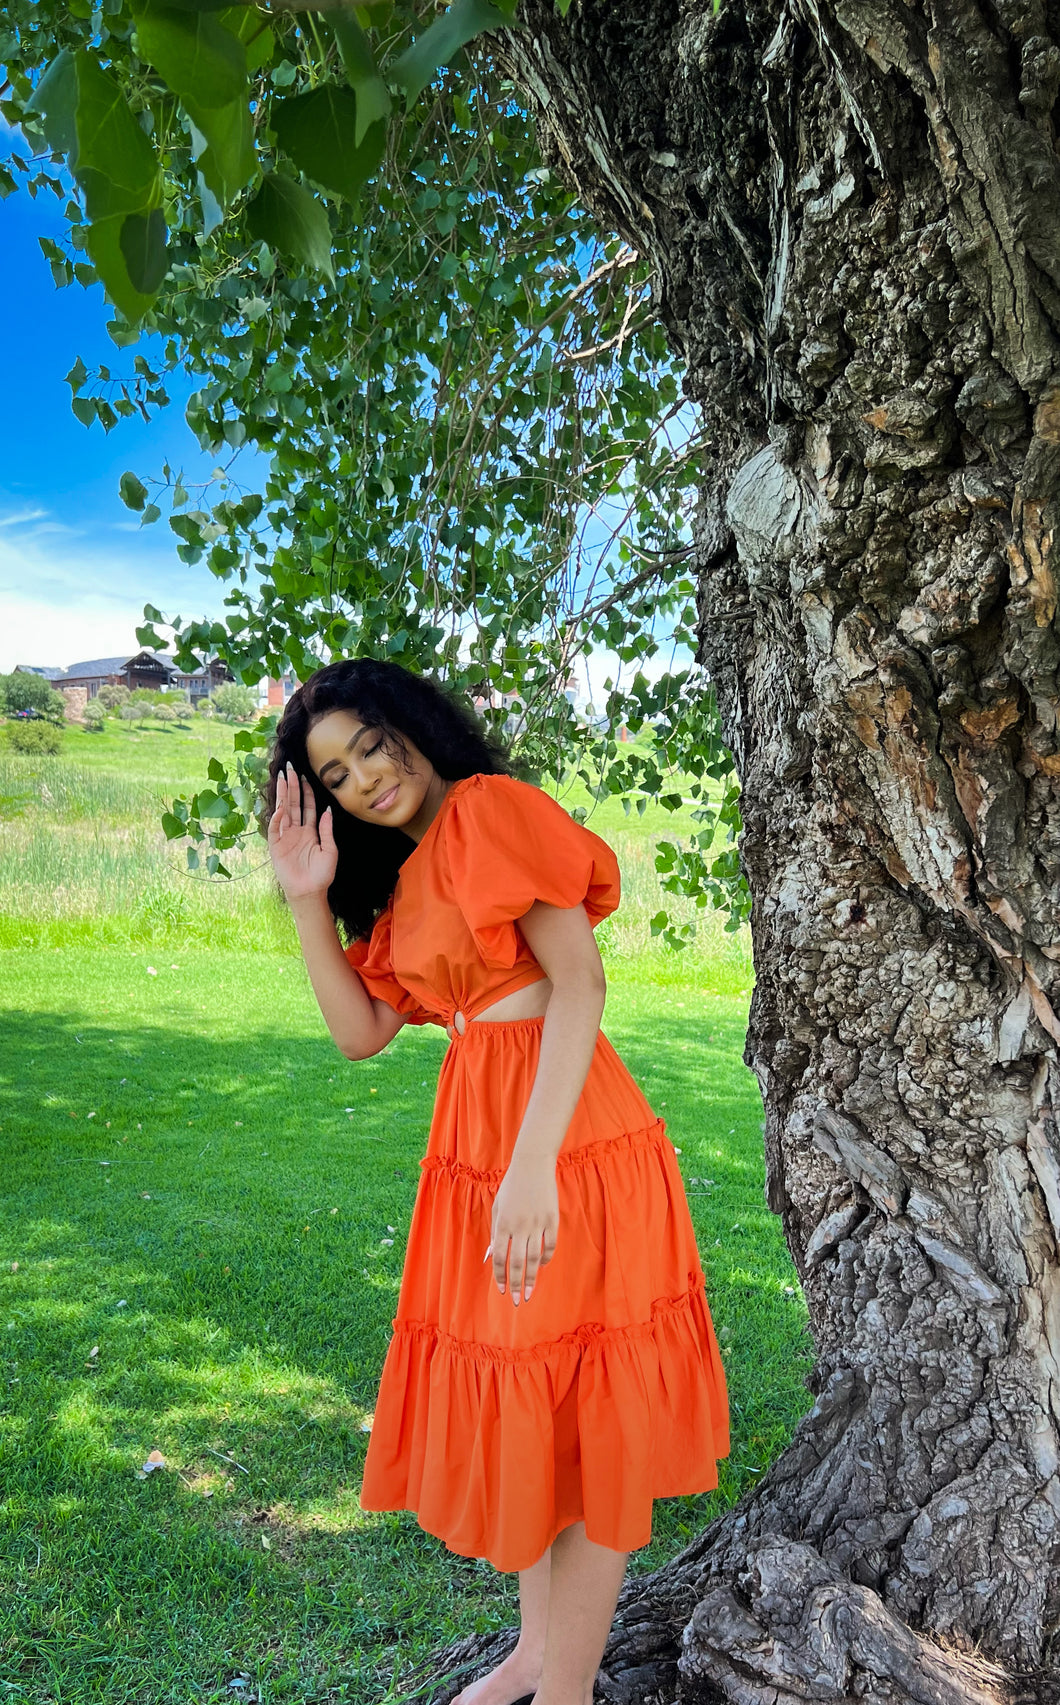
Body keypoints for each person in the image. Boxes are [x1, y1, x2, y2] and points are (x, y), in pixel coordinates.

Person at [264, 659, 730, 1705]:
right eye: (335, 774)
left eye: (369, 745)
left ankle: (564, 1691)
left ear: (412, 724)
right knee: (536, 1406)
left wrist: (531, 1168)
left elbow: (581, 982)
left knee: (590, 1415)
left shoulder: (491, 813)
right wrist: (305, 899)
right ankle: (532, 1652)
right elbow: (358, 1032)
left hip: (566, 1146)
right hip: (485, 1152)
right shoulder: (407, 873)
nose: (363, 779)